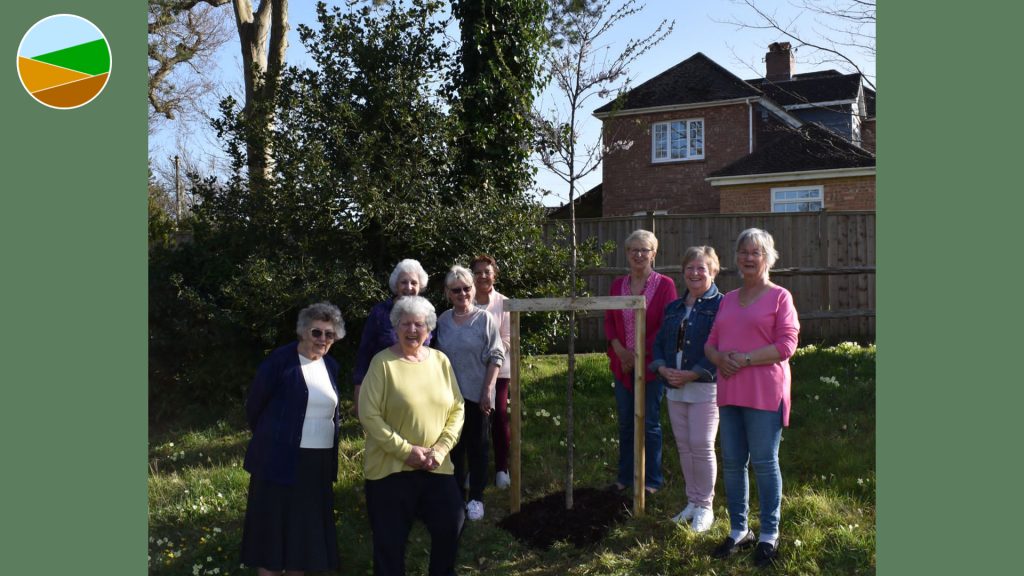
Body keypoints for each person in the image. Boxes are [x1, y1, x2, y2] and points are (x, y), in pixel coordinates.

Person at [705, 228, 800, 567]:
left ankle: (768, 535)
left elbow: (787, 345)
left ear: (767, 258)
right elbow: (710, 343)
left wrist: (743, 358)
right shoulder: (728, 299)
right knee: (732, 463)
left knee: (763, 462)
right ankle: (738, 530)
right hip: (730, 390)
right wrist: (720, 359)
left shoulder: (780, 297)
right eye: (743, 252)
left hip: (764, 391)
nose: (747, 258)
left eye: (755, 253)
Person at [358, 296, 466, 576]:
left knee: (451, 523)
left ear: (429, 329)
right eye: (405, 323)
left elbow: (457, 408)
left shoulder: (441, 361)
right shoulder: (382, 364)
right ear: (396, 327)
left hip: (436, 465)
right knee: (389, 544)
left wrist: (441, 449)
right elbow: (368, 415)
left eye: (419, 324)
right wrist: (406, 451)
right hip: (390, 470)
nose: (412, 330)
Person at [240, 302, 346, 575]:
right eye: (317, 332)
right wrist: (272, 439)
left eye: (329, 334)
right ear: (302, 331)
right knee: (273, 541)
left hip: (317, 465)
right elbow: (255, 405)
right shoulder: (280, 360)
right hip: (278, 462)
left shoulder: (331, 366)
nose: (323, 339)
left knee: (300, 543)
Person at [649, 246, 723, 533]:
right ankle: (692, 501)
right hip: (674, 388)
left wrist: (693, 373)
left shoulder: (722, 306)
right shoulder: (673, 308)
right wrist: (661, 367)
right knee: (684, 446)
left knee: (702, 446)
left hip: (704, 388)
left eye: (701, 268)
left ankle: (706, 506)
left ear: (713, 271)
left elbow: (722, 346)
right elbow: (658, 345)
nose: (694, 273)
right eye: (689, 268)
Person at [604, 229, 678, 494]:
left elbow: (667, 325)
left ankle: (652, 480)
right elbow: (610, 322)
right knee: (625, 422)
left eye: (644, 250)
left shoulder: (666, 285)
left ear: (653, 253)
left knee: (649, 423)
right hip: (621, 363)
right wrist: (621, 352)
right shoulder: (617, 286)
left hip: (651, 365)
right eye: (633, 250)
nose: (638, 254)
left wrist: (639, 354)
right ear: (626, 253)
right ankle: (624, 476)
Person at [434, 265, 505, 521]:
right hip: (449, 399)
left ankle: (476, 498)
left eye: (466, 288)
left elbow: (496, 355)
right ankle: (454, 499)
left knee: (478, 448)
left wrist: (488, 389)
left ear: (473, 290)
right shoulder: (442, 321)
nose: (462, 293)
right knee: (453, 449)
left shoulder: (483, 318)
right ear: (448, 293)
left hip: (478, 396)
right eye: (456, 290)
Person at [352, 259, 430, 415]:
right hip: (384, 386)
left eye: (413, 283)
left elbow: (432, 351)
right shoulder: (379, 313)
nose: (409, 287)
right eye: (404, 282)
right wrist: (359, 388)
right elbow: (364, 352)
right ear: (396, 285)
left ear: (420, 286)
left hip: (418, 386)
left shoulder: (427, 312)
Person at [470, 254, 513, 490]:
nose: (482, 276)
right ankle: (475, 469)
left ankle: (501, 468)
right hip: (471, 372)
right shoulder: (466, 301)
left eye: (487, 271)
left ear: (494, 274)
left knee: (498, 418)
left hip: (499, 371)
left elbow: (507, 339)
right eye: (478, 272)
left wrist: (490, 356)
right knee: (474, 422)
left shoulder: (504, 303)